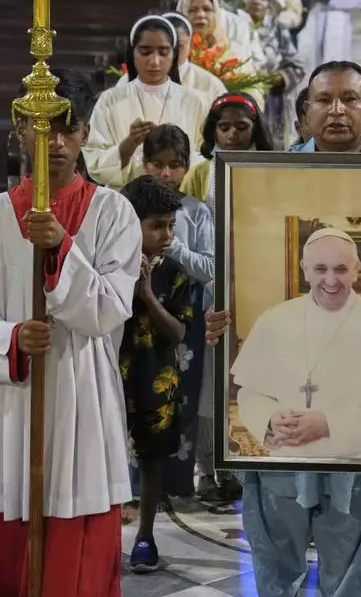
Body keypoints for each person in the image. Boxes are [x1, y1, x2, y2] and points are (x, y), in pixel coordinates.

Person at [202, 61, 361, 597]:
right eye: (323, 100)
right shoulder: (263, 184)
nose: (336, 110)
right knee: (274, 554)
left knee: (355, 558)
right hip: (284, 436)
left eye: (349, 99)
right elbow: (236, 284)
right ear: (303, 111)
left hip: (360, 439)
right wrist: (222, 314)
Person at [0, 70, 139, 596]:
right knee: (17, 552)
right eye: (40, 129)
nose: (53, 143)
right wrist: (8, 340)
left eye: (66, 129)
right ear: (20, 132)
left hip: (84, 399)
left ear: (85, 133)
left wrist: (60, 250)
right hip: (17, 405)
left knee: (82, 552)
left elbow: (109, 310)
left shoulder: (115, 213)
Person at [231, 226, 361, 459]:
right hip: (293, 459)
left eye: (341, 269)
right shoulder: (272, 322)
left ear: (356, 270)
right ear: (305, 270)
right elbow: (251, 393)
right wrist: (270, 420)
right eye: (321, 269)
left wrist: (328, 425)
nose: (331, 280)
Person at [117, 175, 193, 574]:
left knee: (151, 458)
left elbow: (179, 331)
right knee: (107, 454)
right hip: (111, 374)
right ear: (132, 224)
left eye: (171, 226)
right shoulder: (110, 264)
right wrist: (128, 284)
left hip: (155, 374)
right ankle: (103, 533)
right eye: (156, 225)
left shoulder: (175, 272)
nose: (166, 235)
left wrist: (147, 293)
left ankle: (145, 536)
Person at [140, 127, 216, 502]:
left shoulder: (196, 212)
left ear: (187, 167)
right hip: (137, 318)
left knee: (181, 397)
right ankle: (135, 486)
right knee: (138, 395)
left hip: (187, 318)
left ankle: (176, 482)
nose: (166, 174)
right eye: (158, 164)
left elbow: (210, 268)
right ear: (144, 164)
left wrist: (176, 250)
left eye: (175, 165)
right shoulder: (129, 207)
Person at [85, 15, 210, 188]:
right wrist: (129, 144)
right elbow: (94, 162)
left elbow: (207, 160)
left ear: (173, 55)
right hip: (125, 201)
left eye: (163, 52)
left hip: (181, 200)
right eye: (145, 52)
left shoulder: (195, 101)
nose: (154, 61)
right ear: (132, 53)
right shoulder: (110, 100)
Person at [234, 0, 307, 144]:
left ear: (269, 3)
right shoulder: (233, 27)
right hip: (240, 97)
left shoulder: (278, 29)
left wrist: (280, 78)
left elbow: (297, 65)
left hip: (274, 101)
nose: (258, 1)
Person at [180, 92, 275, 209]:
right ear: (213, 130)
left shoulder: (274, 170)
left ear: (255, 128)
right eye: (224, 128)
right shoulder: (198, 174)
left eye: (241, 127)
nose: (232, 135)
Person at [116, 13, 228, 107]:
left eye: (179, 46)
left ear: (191, 44)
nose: (175, 53)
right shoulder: (126, 82)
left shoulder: (210, 84)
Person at [181, 0, 269, 74]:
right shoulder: (175, 50)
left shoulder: (232, 48)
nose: (200, 14)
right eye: (192, 10)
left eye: (207, 9)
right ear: (182, 13)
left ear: (215, 15)